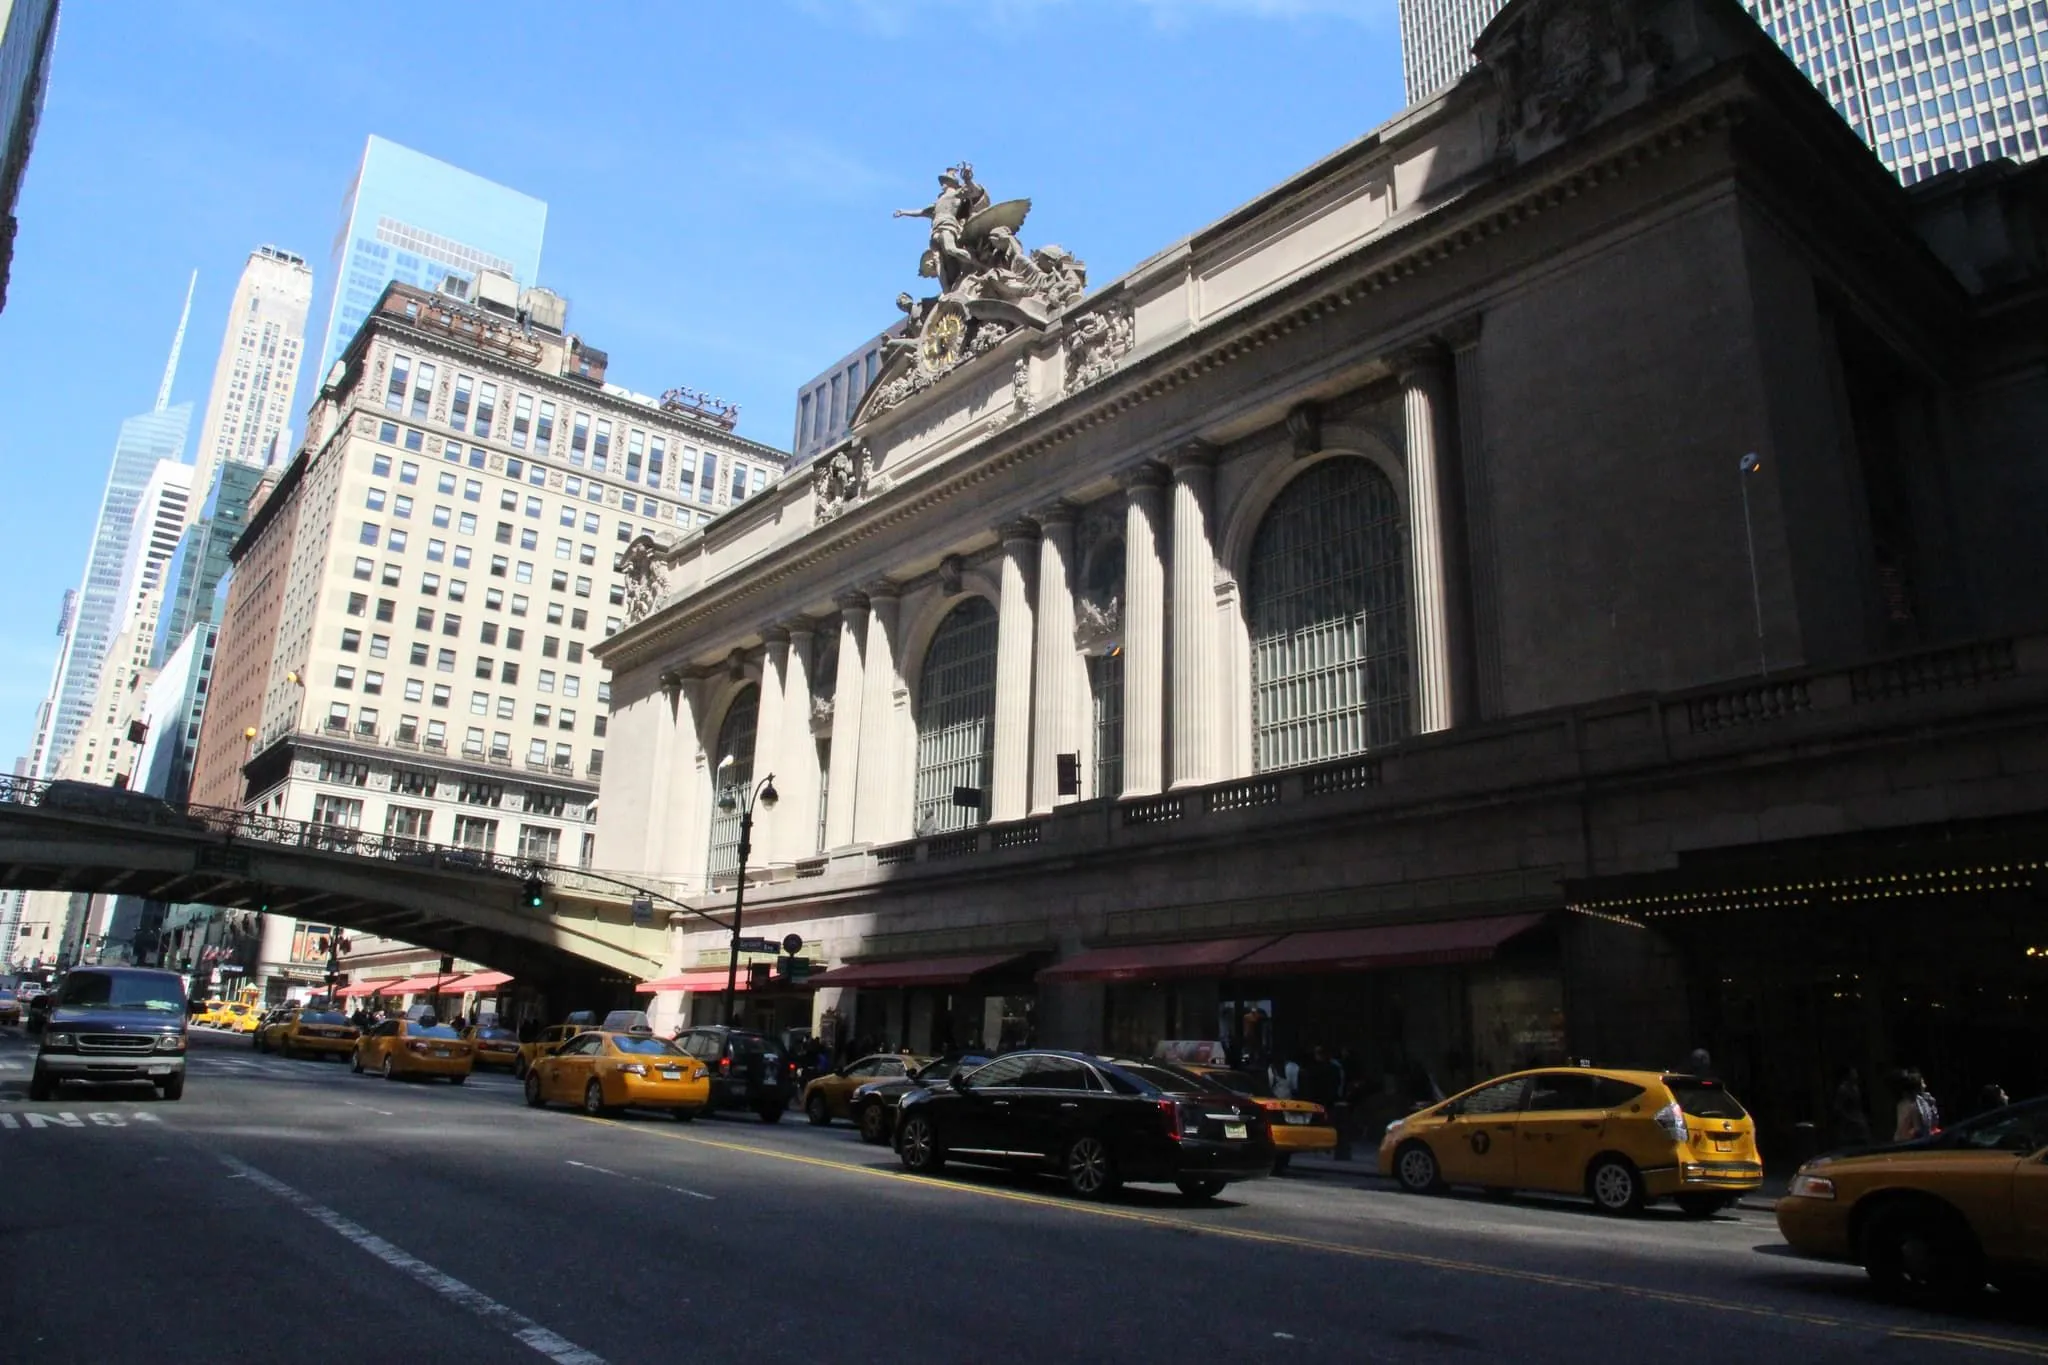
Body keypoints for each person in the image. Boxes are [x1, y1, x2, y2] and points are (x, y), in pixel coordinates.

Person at [1893, 1069, 1940, 1141]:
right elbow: (1917, 1129)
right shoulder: (1911, 1106)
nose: (1925, 1086)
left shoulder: (1922, 1101)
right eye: (1922, 1083)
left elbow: (1933, 1125)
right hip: (1909, 1142)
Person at [1831, 1066, 1872, 1146]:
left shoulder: (1856, 1087)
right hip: (1849, 1123)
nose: (1856, 1075)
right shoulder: (1843, 1089)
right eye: (1853, 1073)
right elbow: (1838, 1107)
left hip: (1859, 1121)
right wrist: (1848, 1118)